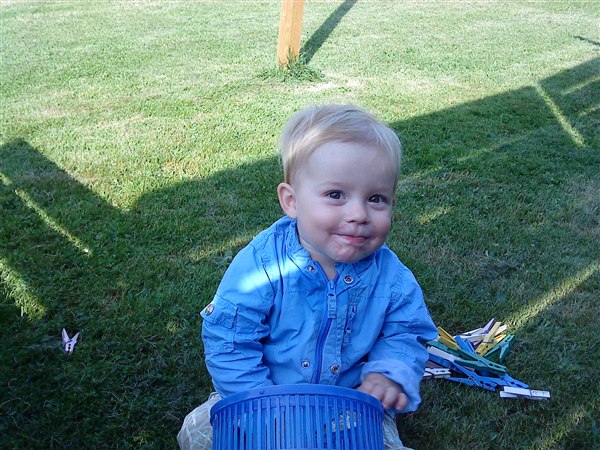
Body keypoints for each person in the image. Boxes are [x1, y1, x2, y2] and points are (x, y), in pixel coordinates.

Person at [178, 104, 438, 450]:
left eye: (376, 199)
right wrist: (266, 413)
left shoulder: (391, 278)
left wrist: (388, 373)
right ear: (292, 201)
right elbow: (230, 340)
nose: (359, 214)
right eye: (336, 195)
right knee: (198, 433)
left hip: (348, 408)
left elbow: (407, 332)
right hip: (263, 399)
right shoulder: (262, 266)